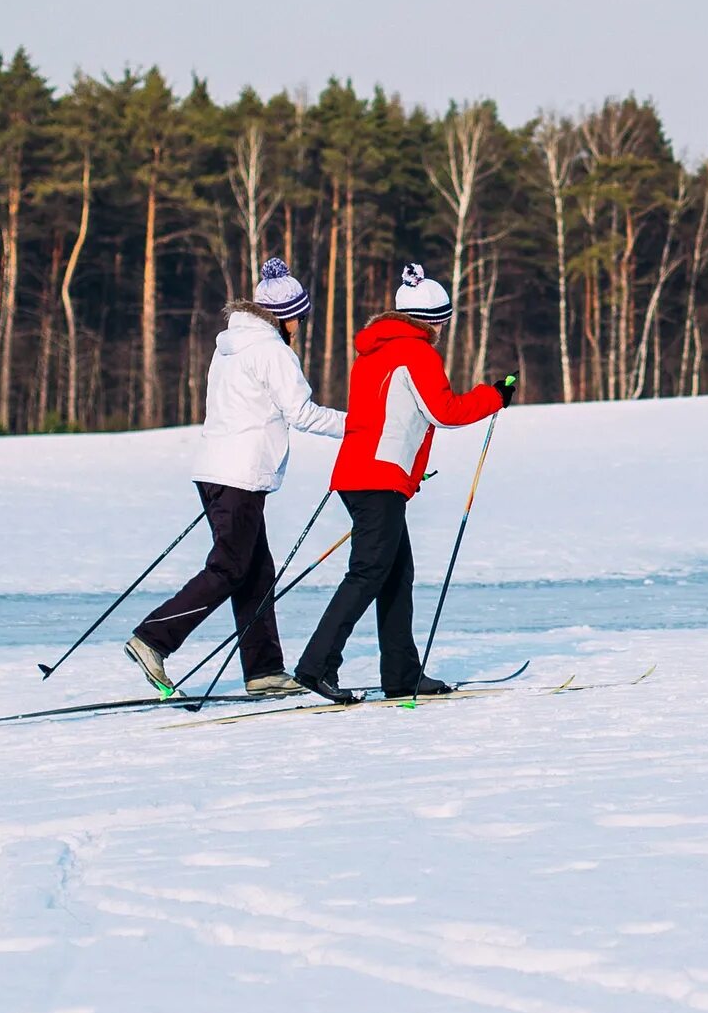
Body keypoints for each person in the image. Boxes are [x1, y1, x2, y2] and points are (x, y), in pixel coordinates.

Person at [294, 262, 516, 703]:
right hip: (378, 478)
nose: (442, 331)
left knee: (396, 576)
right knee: (369, 573)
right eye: (442, 322)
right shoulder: (416, 352)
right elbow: (444, 411)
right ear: (432, 321)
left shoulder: (374, 352)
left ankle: (401, 675)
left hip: (364, 476)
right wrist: (494, 396)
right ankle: (316, 666)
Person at [123, 257, 343, 698]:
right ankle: (153, 639)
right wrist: (363, 425)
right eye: (299, 317)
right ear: (285, 316)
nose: (300, 325)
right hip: (239, 475)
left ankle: (263, 671)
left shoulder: (230, 348)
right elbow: (302, 414)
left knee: (256, 573)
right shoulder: (271, 352)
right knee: (230, 568)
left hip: (219, 471)